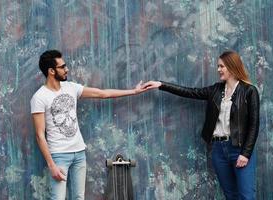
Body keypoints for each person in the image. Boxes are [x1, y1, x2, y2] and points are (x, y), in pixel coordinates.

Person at [30, 50, 147, 200]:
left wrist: (134, 91)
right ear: (51, 71)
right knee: (57, 198)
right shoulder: (39, 97)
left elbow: (102, 94)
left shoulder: (71, 87)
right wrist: (52, 165)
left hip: (79, 153)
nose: (67, 69)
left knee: (79, 197)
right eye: (63, 67)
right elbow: (40, 135)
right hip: (59, 156)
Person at [143, 50, 260, 200]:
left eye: (221, 66)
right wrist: (161, 85)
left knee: (246, 196)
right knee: (230, 195)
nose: (218, 70)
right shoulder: (216, 90)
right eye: (218, 66)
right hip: (219, 150)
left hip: (239, 148)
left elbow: (254, 124)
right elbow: (190, 92)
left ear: (232, 67)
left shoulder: (249, 91)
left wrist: (246, 153)